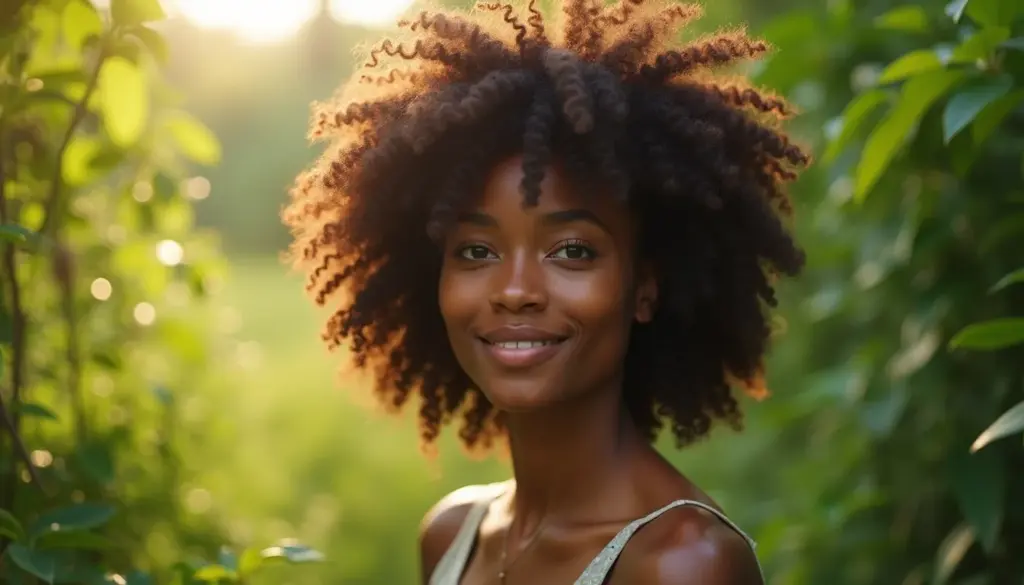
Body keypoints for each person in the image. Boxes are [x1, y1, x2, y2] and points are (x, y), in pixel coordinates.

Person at [284, 0, 809, 583]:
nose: (515, 290)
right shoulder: (451, 534)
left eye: (573, 251)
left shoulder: (683, 564)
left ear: (645, 288)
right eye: (476, 251)